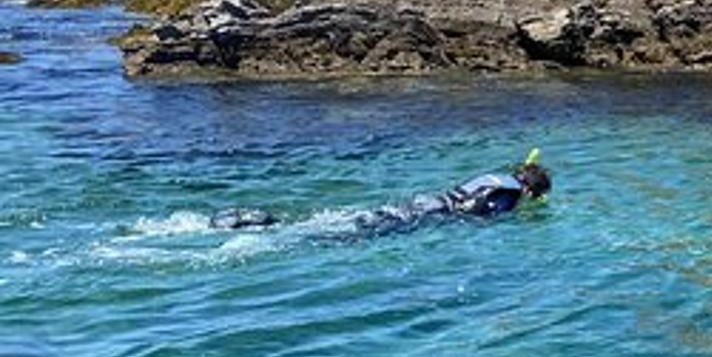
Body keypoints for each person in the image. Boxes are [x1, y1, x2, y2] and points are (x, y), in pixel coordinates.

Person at [209, 150, 552, 234]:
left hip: (426, 201)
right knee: (353, 235)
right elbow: (477, 209)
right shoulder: (509, 194)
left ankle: (268, 221)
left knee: (357, 221)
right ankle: (268, 225)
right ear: (531, 191)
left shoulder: (497, 176)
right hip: (436, 214)